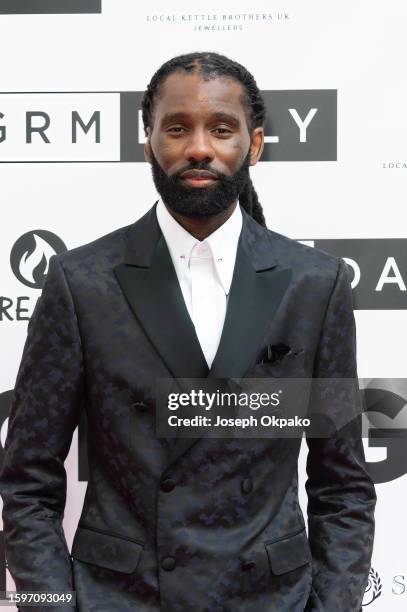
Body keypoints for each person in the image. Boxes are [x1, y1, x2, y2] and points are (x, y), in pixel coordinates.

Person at [0, 51, 376, 612]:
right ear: (147, 139)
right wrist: (50, 607)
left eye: (221, 129)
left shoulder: (315, 285)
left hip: (270, 600)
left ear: (253, 144)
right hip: (120, 600)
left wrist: (334, 606)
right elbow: (27, 483)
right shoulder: (82, 283)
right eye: (177, 128)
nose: (198, 147)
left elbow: (341, 485)